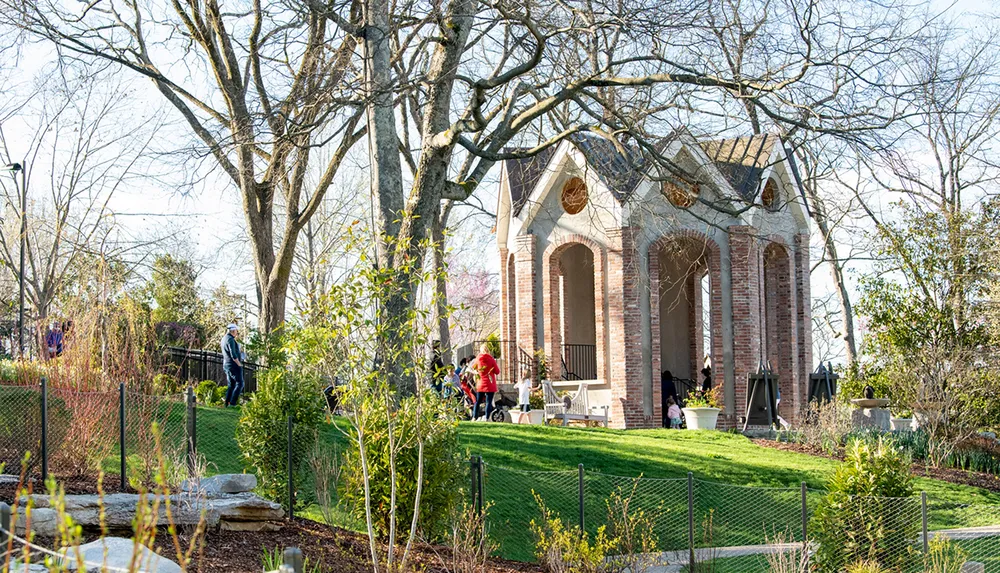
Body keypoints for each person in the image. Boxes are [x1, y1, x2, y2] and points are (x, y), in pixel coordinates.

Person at [470, 344, 499, 421]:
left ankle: (474, 417)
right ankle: (487, 417)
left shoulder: (478, 359)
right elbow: (497, 371)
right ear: (488, 350)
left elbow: (473, 368)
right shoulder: (491, 359)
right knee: (488, 402)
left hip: (480, 383)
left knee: (477, 401)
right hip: (490, 383)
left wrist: (477, 372)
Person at [221, 324, 244, 407]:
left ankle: (227, 403)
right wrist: (239, 364)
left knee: (231, 385)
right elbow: (233, 354)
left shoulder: (224, 339)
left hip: (226, 365)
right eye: (236, 331)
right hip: (233, 365)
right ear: (233, 331)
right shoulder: (230, 339)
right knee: (240, 383)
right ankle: (233, 403)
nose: (237, 333)